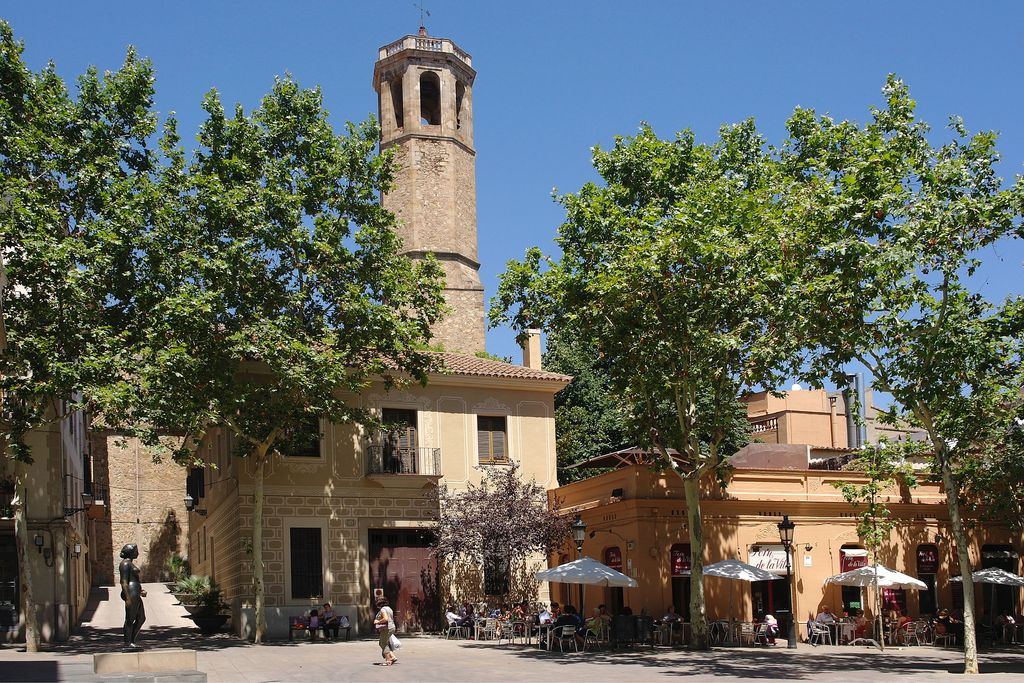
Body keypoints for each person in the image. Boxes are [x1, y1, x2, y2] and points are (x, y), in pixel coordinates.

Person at [119, 544, 146, 651]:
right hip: (131, 593)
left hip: (135, 592)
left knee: (141, 618)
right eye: (136, 551)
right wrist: (128, 598)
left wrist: (140, 590)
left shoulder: (130, 563)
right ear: (131, 552)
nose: (138, 553)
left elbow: (134, 579)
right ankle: (127, 643)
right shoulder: (125, 563)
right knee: (130, 619)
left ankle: (132, 640)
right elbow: (124, 582)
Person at [373, 596, 397, 665]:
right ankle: (392, 657)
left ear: (379, 603)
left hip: (386, 628)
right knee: (384, 642)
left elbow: (385, 619)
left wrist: (377, 622)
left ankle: (388, 660)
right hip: (391, 627)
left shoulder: (383, 609)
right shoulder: (389, 608)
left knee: (383, 643)